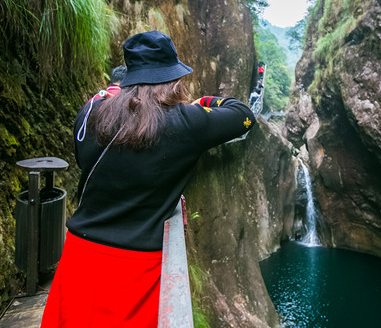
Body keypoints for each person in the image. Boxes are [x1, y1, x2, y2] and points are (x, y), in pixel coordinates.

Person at [41, 30, 256, 328]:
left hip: (79, 255)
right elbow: (244, 115)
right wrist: (204, 101)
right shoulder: (185, 122)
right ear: (172, 79)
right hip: (136, 268)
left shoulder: (90, 113)